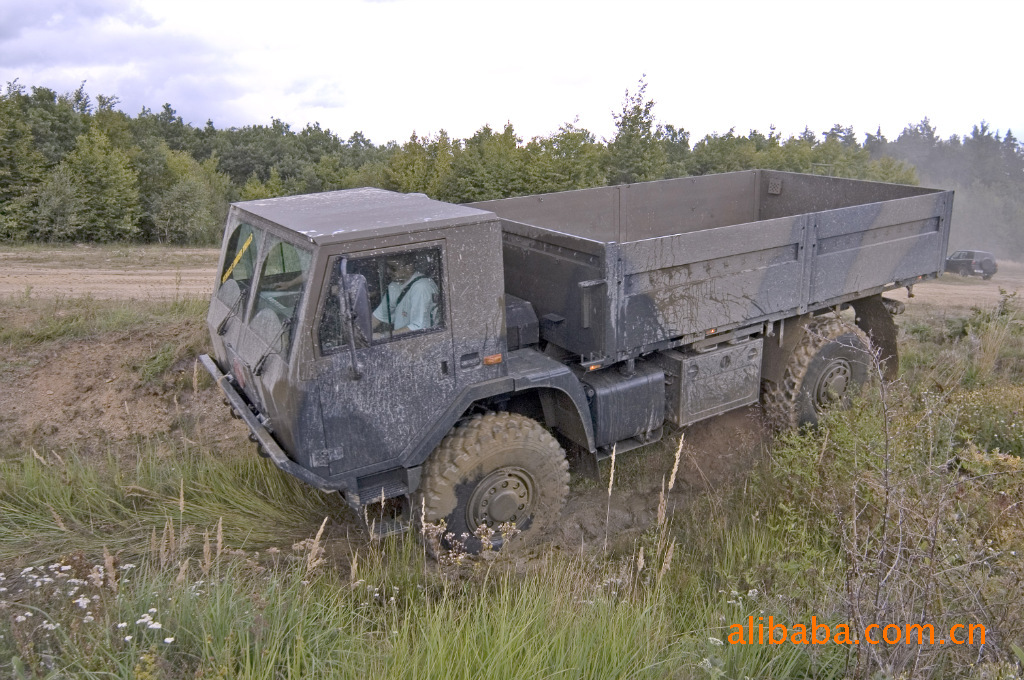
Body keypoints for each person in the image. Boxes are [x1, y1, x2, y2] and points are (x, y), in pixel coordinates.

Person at [372, 257, 439, 336]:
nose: (388, 271)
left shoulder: (421, 287)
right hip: (401, 340)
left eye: (393, 268)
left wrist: (383, 336)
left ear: (409, 267)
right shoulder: (394, 286)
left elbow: (419, 328)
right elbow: (379, 316)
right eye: (387, 267)